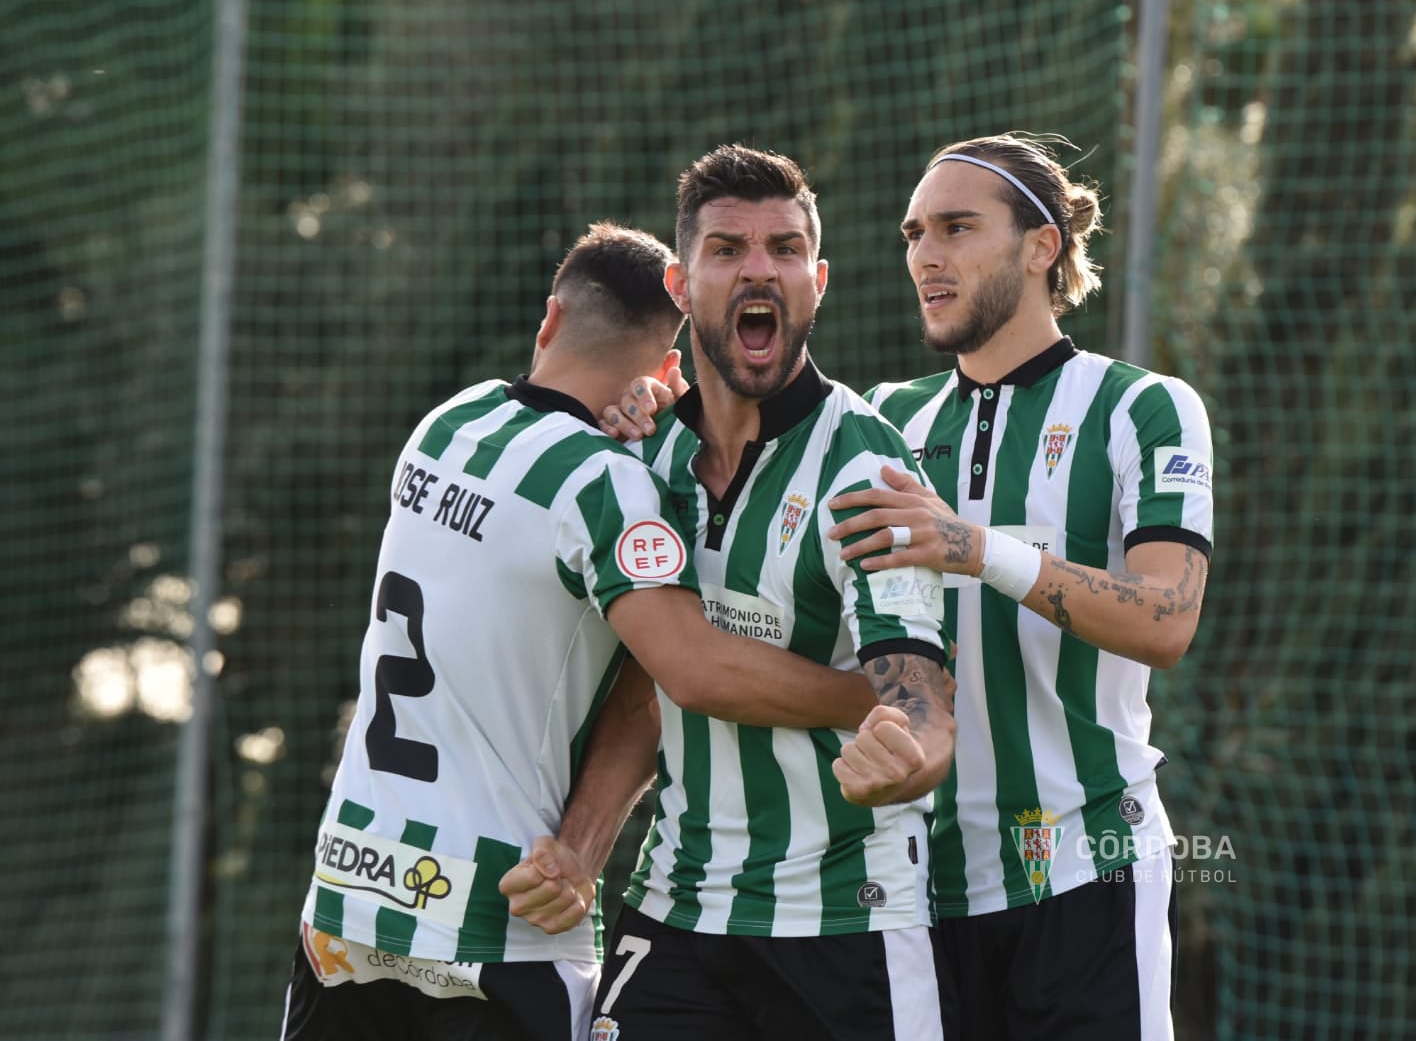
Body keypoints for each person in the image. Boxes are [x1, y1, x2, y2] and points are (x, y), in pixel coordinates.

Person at [601, 134, 1215, 1041]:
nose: (927, 254)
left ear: (1042, 246)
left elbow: (1168, 619)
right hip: (924, 881)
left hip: (1089, 867)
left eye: (958, 228)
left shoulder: (1142, 407)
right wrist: (651, 406)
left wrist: (980, 548)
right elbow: (756, 433)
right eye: (914, 232)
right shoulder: (888, 422)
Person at [281, 221, 892, 1041]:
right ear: (669, 367)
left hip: (349, 895)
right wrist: (878, 696)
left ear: (548, 322)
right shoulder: (611, 485)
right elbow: (693, 672)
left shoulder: (448, 425)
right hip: (495, 915)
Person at [523, 145, 960, 1041]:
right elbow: (646, 692)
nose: (759, 267)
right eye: (727, 249)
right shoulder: (638, 458)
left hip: (847, 923)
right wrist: (580, 847)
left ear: (817, 281)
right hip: (676, 913)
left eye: (785, 249)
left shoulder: (866, 470)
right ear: (681, 287)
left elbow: (920, 702)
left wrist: (904, 747)